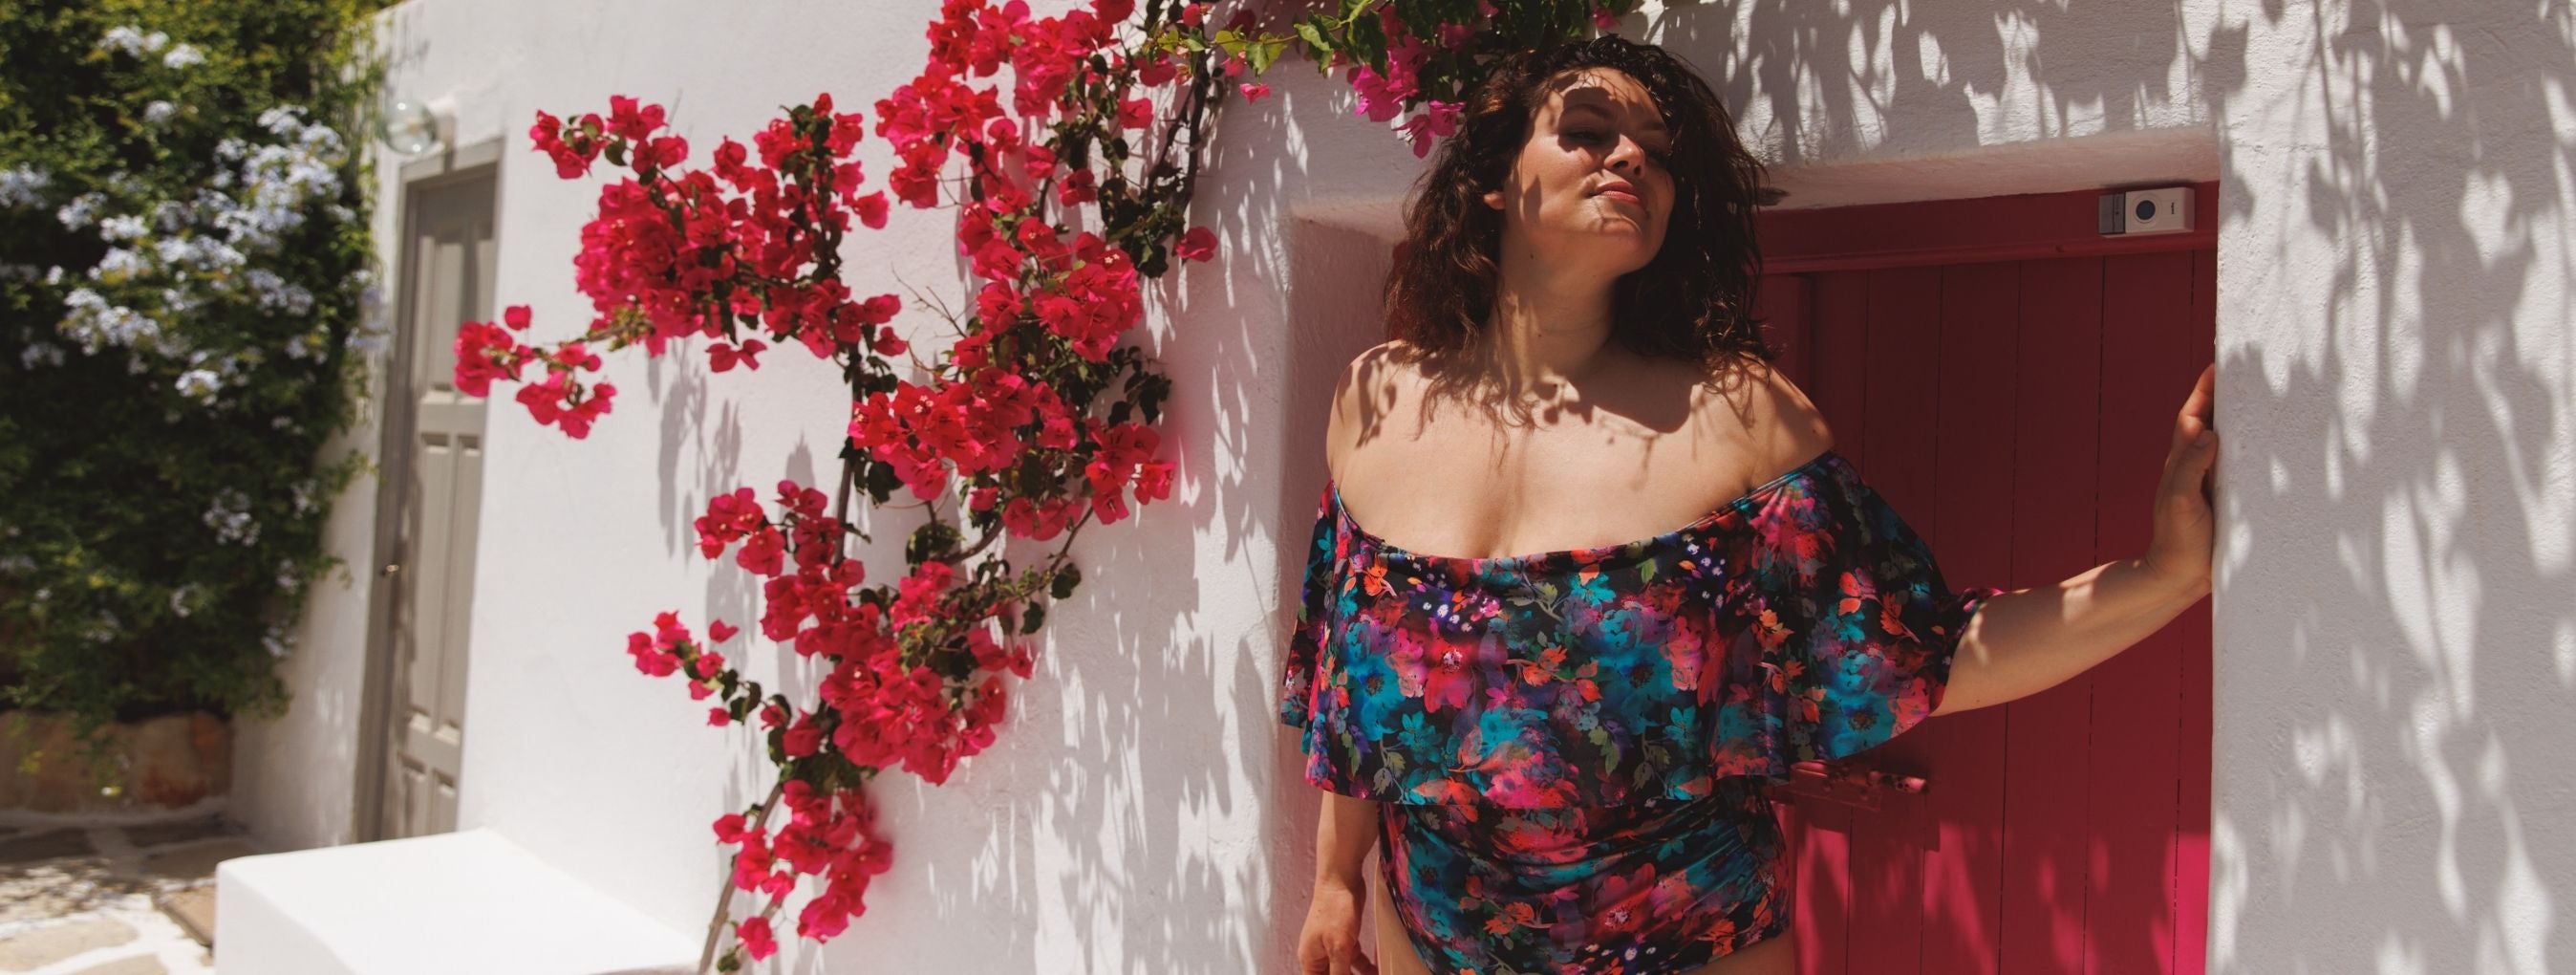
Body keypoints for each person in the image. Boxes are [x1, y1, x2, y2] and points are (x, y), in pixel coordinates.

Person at [1278, 35, 2219, 975]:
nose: (1632, 155)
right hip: (1430, 938)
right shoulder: (1375, 402)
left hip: (1688, 944)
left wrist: (2161, 578)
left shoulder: (1735, 419)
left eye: (1658, 148)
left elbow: (1925, 656)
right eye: (1588, 129)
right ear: (1491, 181)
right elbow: (1350, 693)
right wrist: (1335, 883)